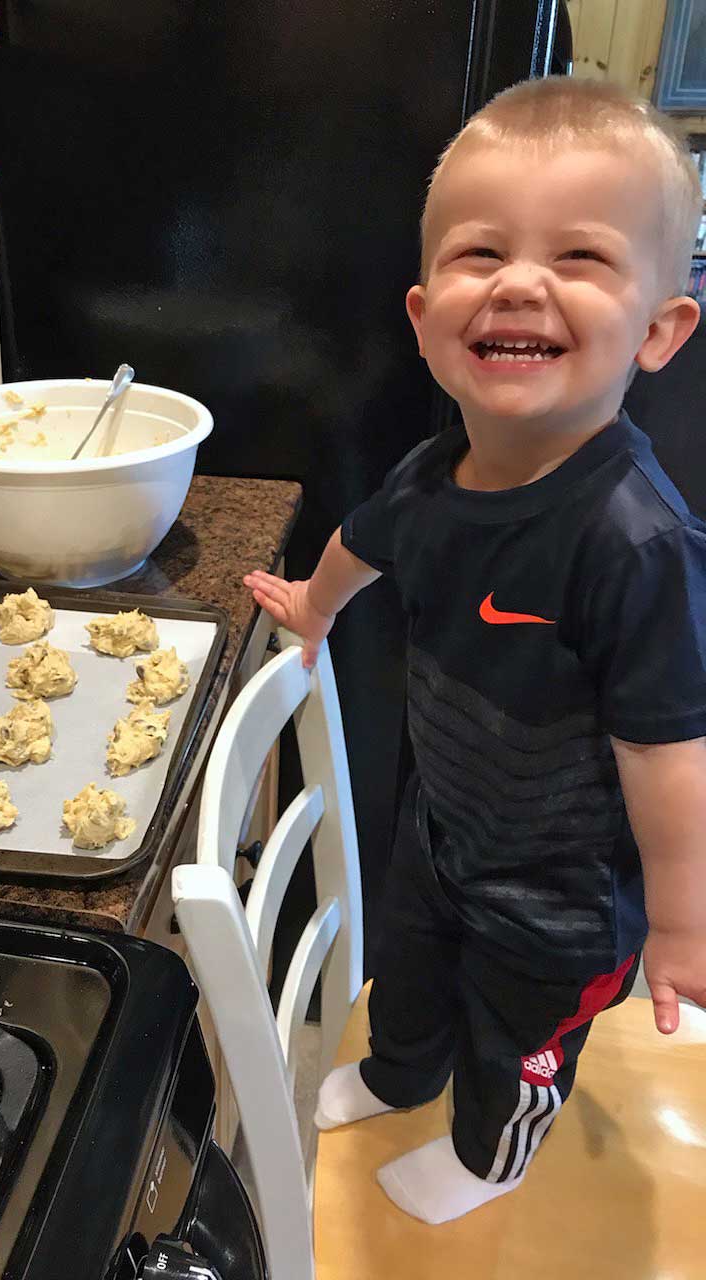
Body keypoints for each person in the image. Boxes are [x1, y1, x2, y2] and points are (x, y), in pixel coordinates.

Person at [245, 76, 706, 1225]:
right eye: (480, 251)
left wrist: (685, 918)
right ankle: (404, 1068)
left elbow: (670, 753)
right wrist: (315, 602)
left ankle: (491, 1148)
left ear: (659, 329)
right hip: (445, 827)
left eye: (582, 258)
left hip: (566, 897)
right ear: (422, 315)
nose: (518, 280)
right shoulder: (435, 465)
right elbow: (369, 540)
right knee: (409, 975)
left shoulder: (635, 545)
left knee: (517, 1040)